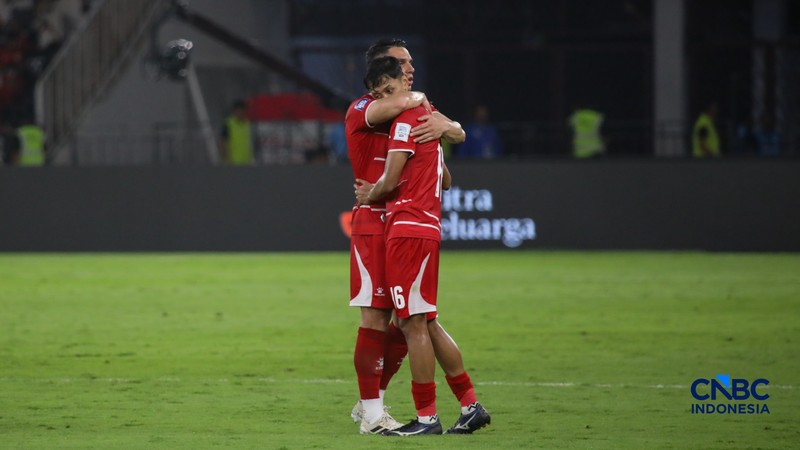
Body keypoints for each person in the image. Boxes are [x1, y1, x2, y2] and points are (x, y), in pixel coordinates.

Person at [356, 56, 490, 436]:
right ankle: (469, 404)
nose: (384, 100)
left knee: (411, 322)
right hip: (425, 226)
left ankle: (427, 418)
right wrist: (449, 128)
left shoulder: (405, 122)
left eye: (387, 91)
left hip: (408, 227)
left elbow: (391, 177)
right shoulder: (429, 120)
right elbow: (445, 179)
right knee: (425, 319)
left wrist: (370, 194)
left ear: (399, 85)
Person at [220, 100, 254, 165]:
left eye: (242, 110)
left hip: (247, 162)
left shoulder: (248, 124)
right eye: (238, 110)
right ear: (234, 111)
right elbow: (223, 142)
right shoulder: (228, 124)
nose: (240, 113)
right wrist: (227, 159)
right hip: (233, 162)